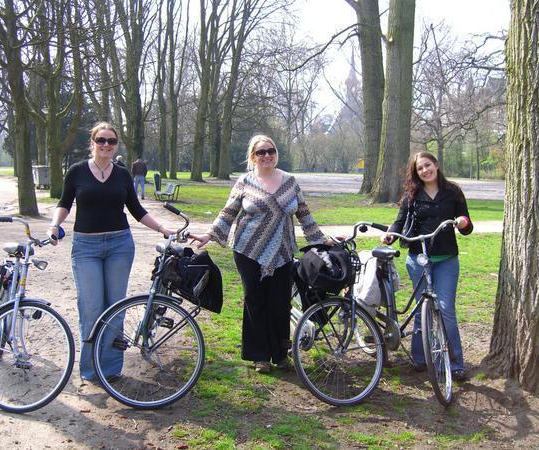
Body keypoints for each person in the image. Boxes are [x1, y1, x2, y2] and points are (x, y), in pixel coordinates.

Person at [47, 122, 176, 382]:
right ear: (92, 142)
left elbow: (136, 210)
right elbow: (64, 203)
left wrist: (162, 228)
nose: (106, 145)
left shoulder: (121, 174)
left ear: (116, 145)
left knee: (116, 307)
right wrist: (54, 225)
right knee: (92, 307)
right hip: (86, 247)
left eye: (111, 141)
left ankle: (110, 370)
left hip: (119, 245)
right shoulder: (77, 172)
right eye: (101, 140)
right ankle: (90, 369)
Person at [194, 134, 333, 374]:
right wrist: (210, 234)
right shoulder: (245, 182)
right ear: (253, 157)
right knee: (255, 301)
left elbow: (304, 214)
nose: (266, 155)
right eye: (261, 152)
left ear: (276, 154)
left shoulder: (290, 182)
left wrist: (320, 240)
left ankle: (280, 354)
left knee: (280, 304)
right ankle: (259, 356)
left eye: (270, 151)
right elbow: (229, 212)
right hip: (249, 250)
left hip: (283, 251)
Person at [381, 151, 473, 381]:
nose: (425, 170)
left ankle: (455, 362)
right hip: (418, 258)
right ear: (416, 172)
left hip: (446, 260)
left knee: (445, 310)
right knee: (423, 307)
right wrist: (391, 234)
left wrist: (463, 223)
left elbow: (466, 223)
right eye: (420, 168)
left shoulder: (452, 191)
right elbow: (400, 220)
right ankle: (421, 359)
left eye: (427, 165)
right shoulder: (412, 194)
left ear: (436, 165)